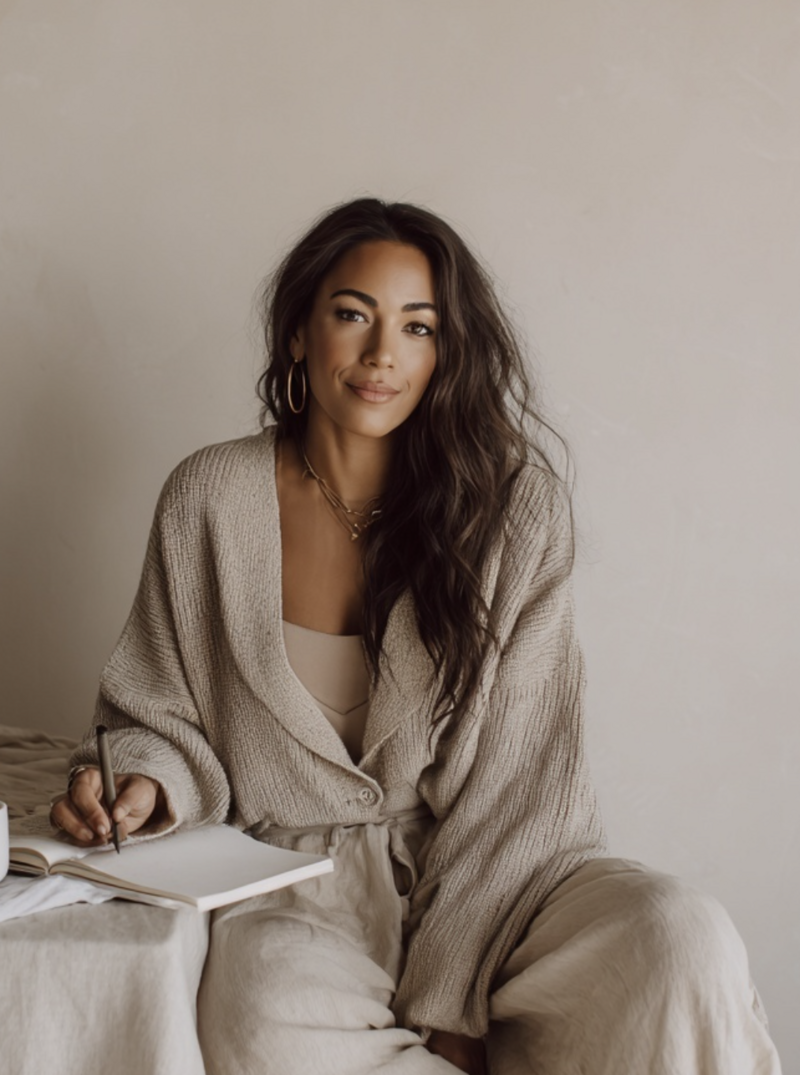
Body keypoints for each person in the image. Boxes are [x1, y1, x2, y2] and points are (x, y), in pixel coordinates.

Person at [50, 198, 781, 1075]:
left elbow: (519, 782)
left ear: (447, 350)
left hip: (502, 885)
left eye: (418, 326)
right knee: (264, 1017)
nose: (381, 355)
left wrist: (451, 1004)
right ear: (298, 333)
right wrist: (140, 782)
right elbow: (158, 710)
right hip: (294, 889)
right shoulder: (208, 498)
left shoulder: (514, 511)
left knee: (680, 936)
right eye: (353, 314)